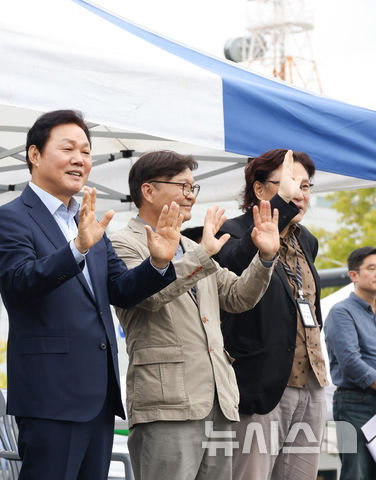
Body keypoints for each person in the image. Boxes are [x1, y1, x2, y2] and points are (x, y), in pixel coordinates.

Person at [0, 110, 181, 479]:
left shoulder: (88, 221)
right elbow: (18, 283)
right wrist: (76, 248)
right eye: (68, 149)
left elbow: (121, 290)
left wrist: (157, 264)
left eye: (86, 151)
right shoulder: (12, 217)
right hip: (51, 397)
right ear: (34, 154)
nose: (80, 159)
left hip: (97, 396)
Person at [110, 150, 279, 480]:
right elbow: (149, 296)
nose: (191, 196)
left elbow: (237, 296)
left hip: (218, 399)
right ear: (148, 190)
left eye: (193, 188)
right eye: (183, 187)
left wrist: (266, 258)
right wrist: (203, 254)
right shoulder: (121, 243)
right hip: (167, 403)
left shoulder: (191, 247)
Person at [213, 149, 327, 479]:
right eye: (290, 184)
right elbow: (233, 264)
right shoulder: (231, 231)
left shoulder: (306, 239)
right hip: (261, 385)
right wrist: (278, 212)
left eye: (306, 186)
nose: (299, 195)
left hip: (312, 383)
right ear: (260, 190)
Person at [324, 246, 376, 480]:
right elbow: (351, 363)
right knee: (356, 473)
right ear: (353, 275)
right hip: (353, 403)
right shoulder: (341, 312)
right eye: (372, 268)